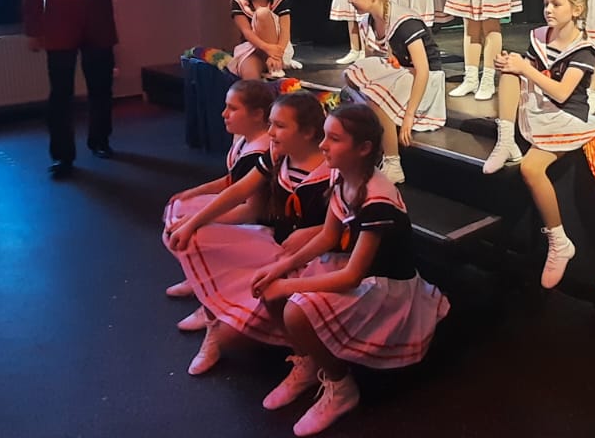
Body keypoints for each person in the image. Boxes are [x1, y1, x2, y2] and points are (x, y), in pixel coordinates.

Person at [247, 104, 450, 436]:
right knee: (272, 288)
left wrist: (287, 285)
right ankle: (309, 360)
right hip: (356, 270)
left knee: (295, 310)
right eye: (324, 136)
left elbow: (353, 276)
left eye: (334, 139)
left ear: (363, 148)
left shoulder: (377, 198)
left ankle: (341, 387)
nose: (323, 145)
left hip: (383, 286)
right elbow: (328, 236)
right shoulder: (343, 177)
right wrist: (279, 268)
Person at [165, 91, 333, 376]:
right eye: (271, 124)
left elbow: (342, 224)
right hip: (278, 246)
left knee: (234, 337)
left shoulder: (331, 169)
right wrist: (193, 222)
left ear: (307, 132)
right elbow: (239, 189)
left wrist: (312, 232)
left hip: (311, 259)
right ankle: (212, 310)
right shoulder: (277, 156)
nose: (271, 132)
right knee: (196, 236)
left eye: (279, 126)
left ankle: (305, 359)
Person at [482, 0, 595, 288]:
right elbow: (530, 73)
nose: (548, 9)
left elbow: (561, 92)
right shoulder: (540, 36)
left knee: (531, 168)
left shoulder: (584, 50)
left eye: (556, 4)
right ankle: (506, 140)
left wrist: (525, 68)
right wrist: (511, 64)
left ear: (577, 10)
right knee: (510, 72)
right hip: (540, 106)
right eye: (546, 3)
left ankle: (559, 241)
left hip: (566, 116)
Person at [22, 0, 133, 177]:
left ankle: (100, 141)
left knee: (101, 90)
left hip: (99, 29)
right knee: (60, 94)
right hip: (59, 31)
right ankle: (62, 155)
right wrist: (34, 31)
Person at [161, 78, 278, 327]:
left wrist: (198, 221)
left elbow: (251, 210)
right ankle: (197, 277)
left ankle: (212, 299)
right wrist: (195, 192)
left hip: (261, 228)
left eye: (233, 108)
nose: (224, 114)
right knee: (179, 208)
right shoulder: (245, 140)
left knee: (189, 233)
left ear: (258, 115)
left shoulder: (260, 151)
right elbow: (232, 180)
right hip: (242, 209)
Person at [341, 0, 447, 185]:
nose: (349, 0)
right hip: (403, 71)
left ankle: (393, 162)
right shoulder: (368, 21)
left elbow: (423, 70)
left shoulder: (405, 22)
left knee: (376, 95)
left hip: (425, 80)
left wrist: (409, 115)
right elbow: (370, 60)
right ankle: (373, 131)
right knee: (351, 76)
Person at [226, 0, 299, 80]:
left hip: (278, 48)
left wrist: (276, 54)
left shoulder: (279, 1)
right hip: (252, 49)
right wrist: (267, 48)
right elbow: (246, 32)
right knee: (250, 77)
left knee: (262, 13)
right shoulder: (238, 3)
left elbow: (285, 31)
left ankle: (275, 65)